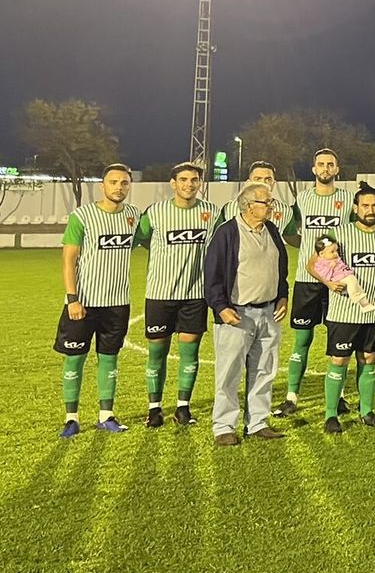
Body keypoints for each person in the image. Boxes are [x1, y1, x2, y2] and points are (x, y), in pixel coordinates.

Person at [55, 163, 139, 437]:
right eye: (113, 182)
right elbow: (68, 260)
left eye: (124, 183)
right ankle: (71, 418)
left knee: (109, 359)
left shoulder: (134, 216)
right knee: (74, 360)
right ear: (102, 185)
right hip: (83, 303)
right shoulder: (82, 216)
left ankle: (106, 415)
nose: (119, 187)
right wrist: (72, 299)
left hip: (117, 303)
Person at [203, 181, 289, 446]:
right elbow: (212, 274)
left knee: (264, 370)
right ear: (249, 206)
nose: (271, 206)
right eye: (266, 202)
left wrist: (283, 295)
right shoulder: (227, 233)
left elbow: (281, 266)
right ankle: (224, 426)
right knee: (229, 373)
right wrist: (221, 308)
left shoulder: (271, 230)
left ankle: (258, 423)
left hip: (268, 313)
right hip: (237, 314)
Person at [135, 161, 218, 427]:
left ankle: (183, 407)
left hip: (195, 295)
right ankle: (154, 408)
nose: (189, 184)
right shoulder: (155, 212)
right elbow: (141, 239)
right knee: (156, 353)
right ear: (173, 183)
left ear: (200, 183)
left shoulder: (211, 213)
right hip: (160, 294)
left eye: (194, 180)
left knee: (189, 354)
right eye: (183, 179)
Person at [310, 185, 375, 433]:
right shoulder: (337, 233)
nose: (371, 210)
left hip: (374, 311)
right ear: (355, 208)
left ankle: (367, 412)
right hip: (344, 312)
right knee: (339, 359)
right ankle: (331, 415)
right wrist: (329, 283)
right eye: (365, 205)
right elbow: (312, 264)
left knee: (368, 358)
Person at [278, 148, 346, 417]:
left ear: (337, 169)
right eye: (321, 164)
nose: (325, 168)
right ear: (314, 169)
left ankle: (340, 396)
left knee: (337, 340)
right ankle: (291, 396)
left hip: (337, 282)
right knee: (302, 339)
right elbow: (288, 232)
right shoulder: (303, 199)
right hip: (306, 281)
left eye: (330, 164)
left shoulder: (347, 199)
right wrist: (309, 249)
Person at [308, 235, 375, 313]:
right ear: (322, 254)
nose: (336, 254)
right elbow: (323, 274)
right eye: (332, 252)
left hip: (345, 275)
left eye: (336, 251)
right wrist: (330, 268)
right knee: (352, 282)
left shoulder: (334, 259)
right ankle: (356, 297)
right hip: (338, 278)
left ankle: (365, 305)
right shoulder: (321, 263)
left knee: (356, 286)